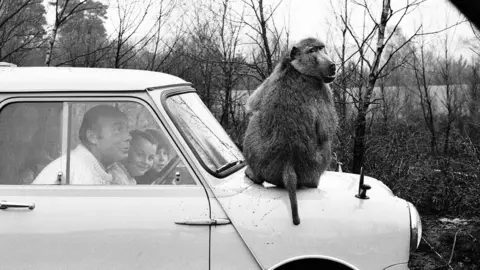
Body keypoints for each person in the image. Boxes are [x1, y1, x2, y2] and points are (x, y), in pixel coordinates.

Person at [33, 105, 131, 185]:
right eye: (118, 129)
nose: (129, 137)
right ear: (92, 137)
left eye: (127, 129)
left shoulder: (114, 170)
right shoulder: (73, 172)